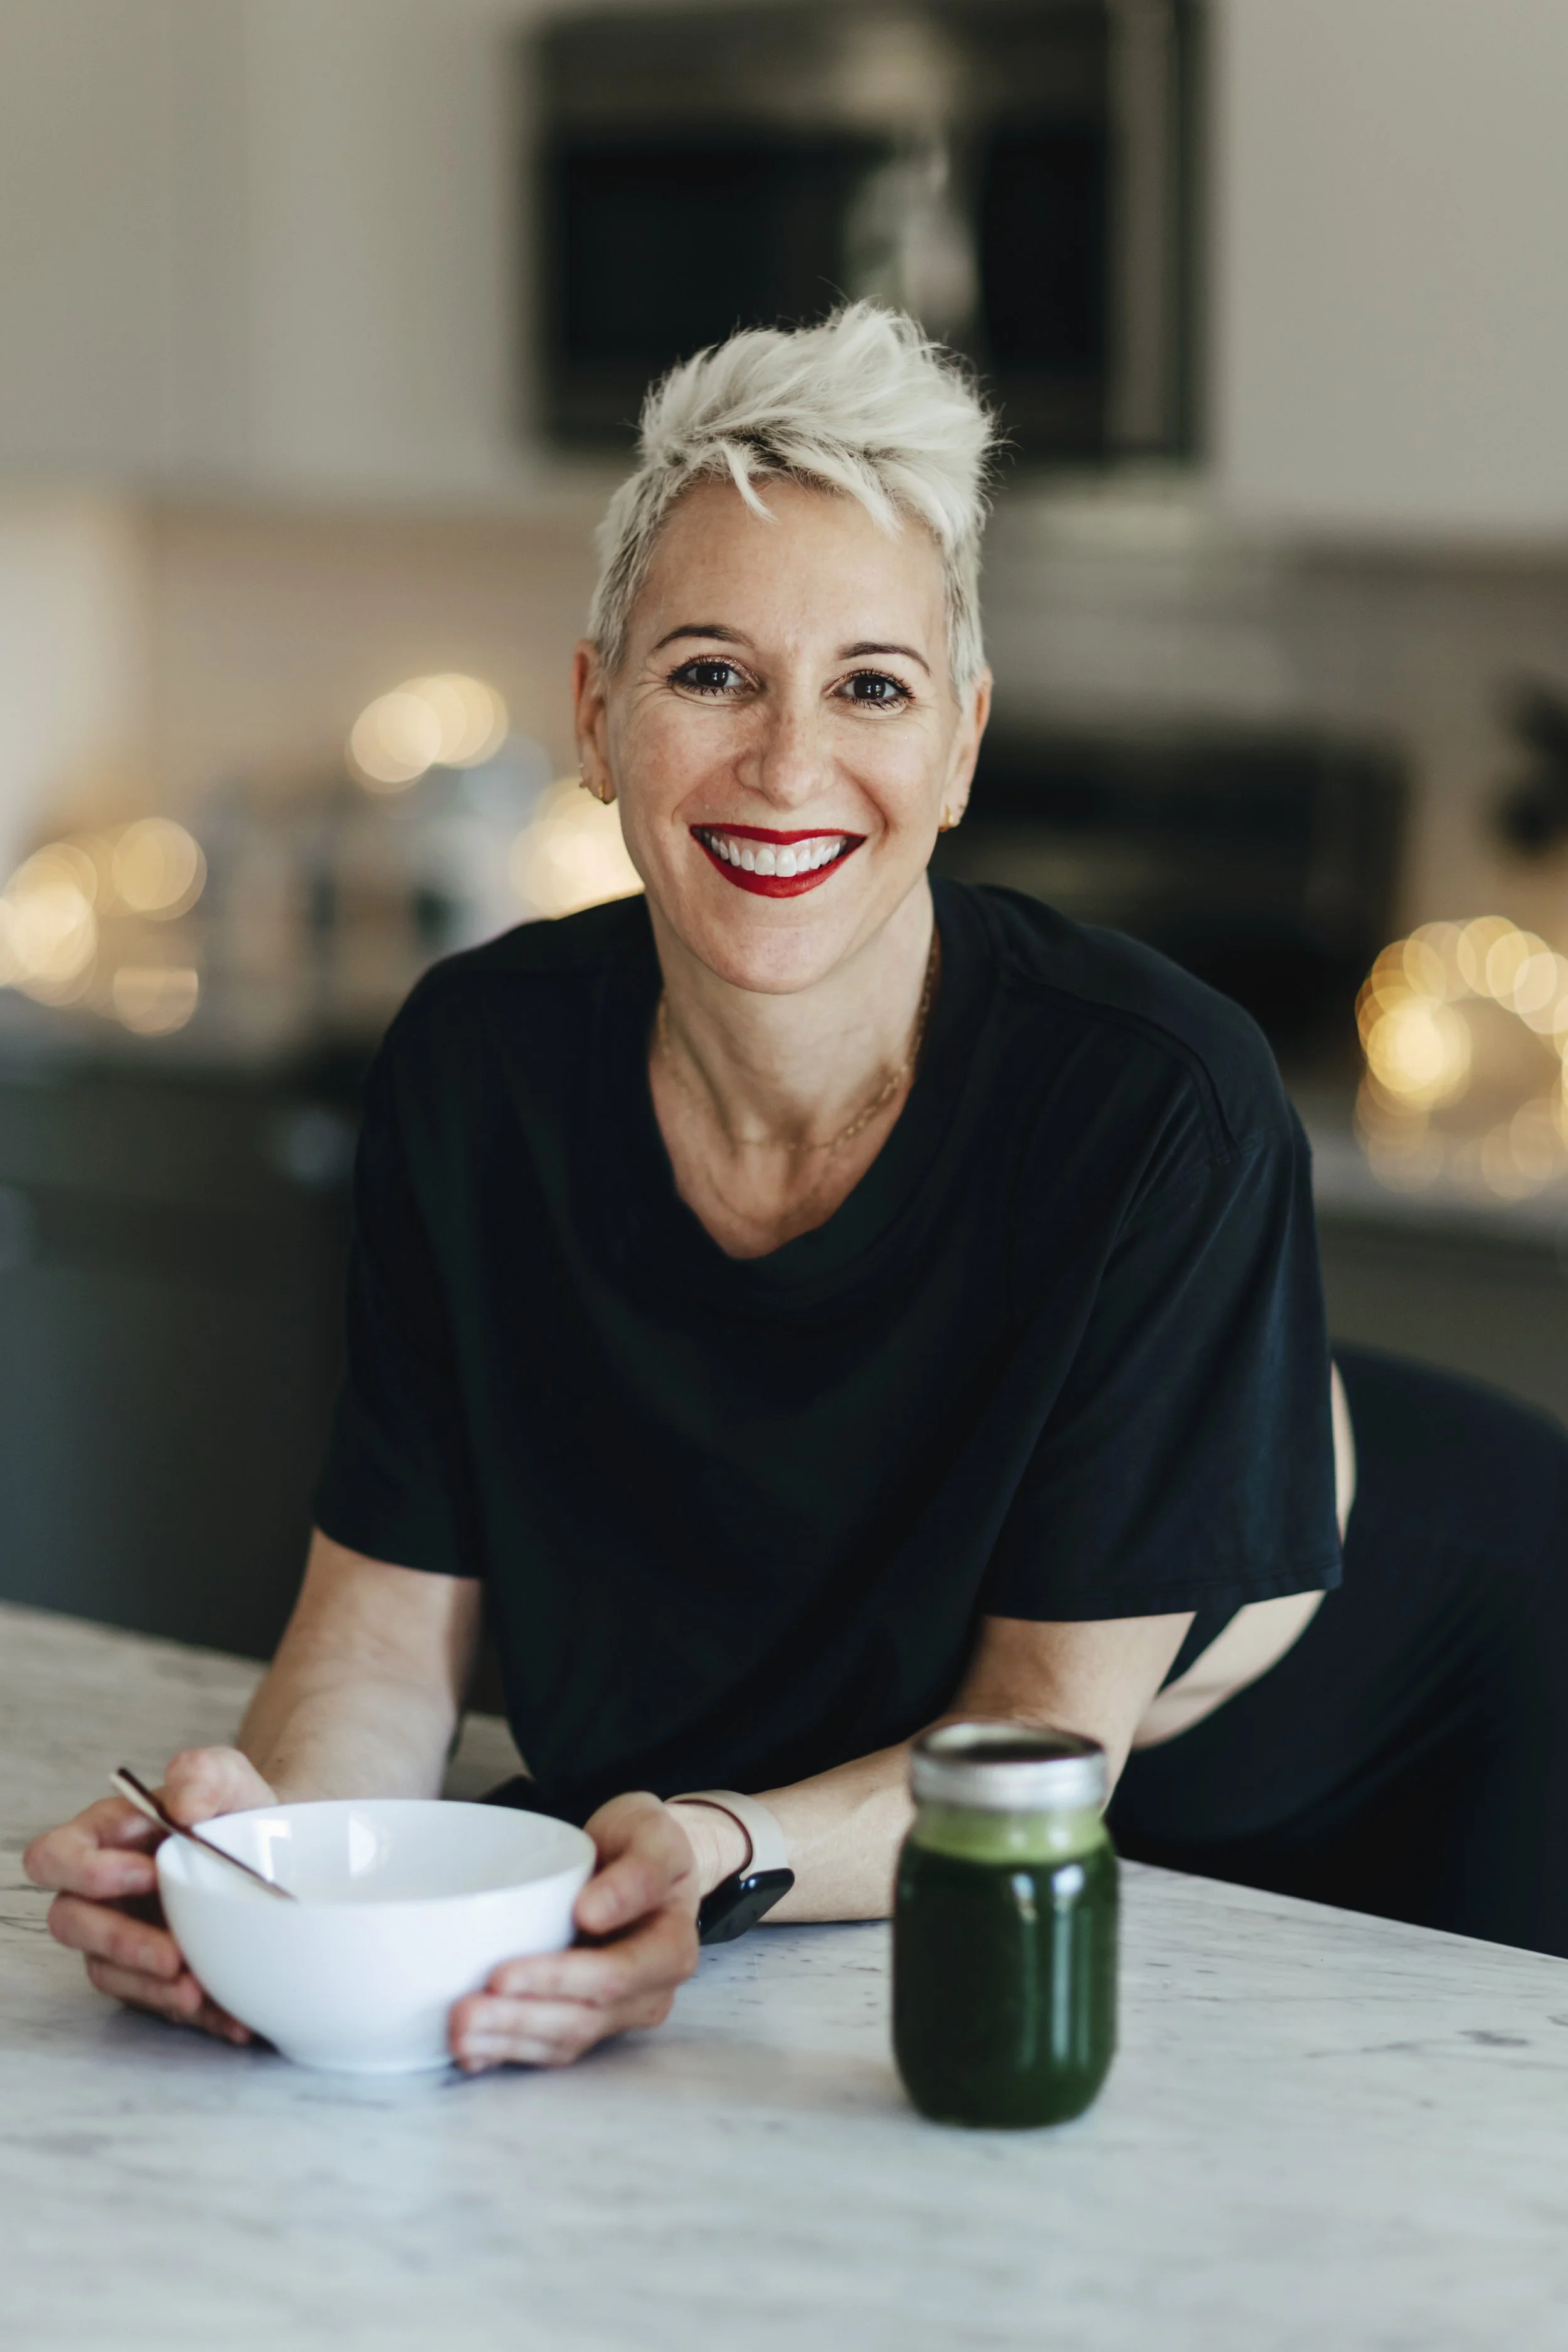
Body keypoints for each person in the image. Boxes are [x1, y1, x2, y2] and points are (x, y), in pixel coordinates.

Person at [24, 307, 1564, 2074]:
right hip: (868, 1840)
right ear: (595, 714)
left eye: (872, 687)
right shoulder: (476, 1069)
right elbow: (376, 1644)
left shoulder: (1158, 1104)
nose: (785, 764)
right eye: (711, 673)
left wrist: (719, 1851)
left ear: (961, 744)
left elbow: (1039, 1751)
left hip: (1416, 1730)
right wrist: (265, 1876)